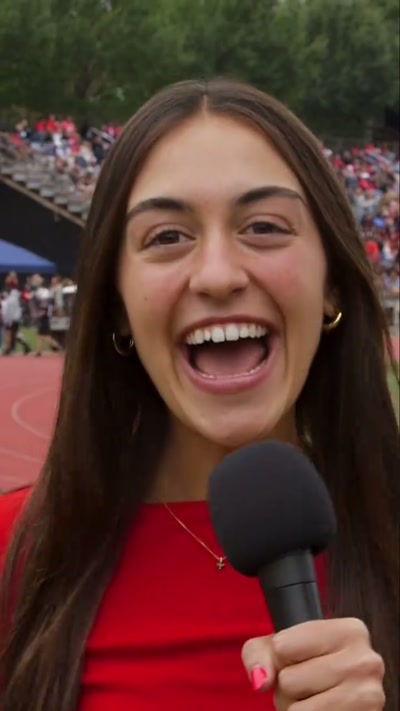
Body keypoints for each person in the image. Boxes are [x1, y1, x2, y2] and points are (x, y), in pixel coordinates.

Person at [0, 79, 398, 711]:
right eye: (166, 237)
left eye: (264, 227)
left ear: (330, 286)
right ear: (118, 305)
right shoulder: (16, 549)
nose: (216, 275)